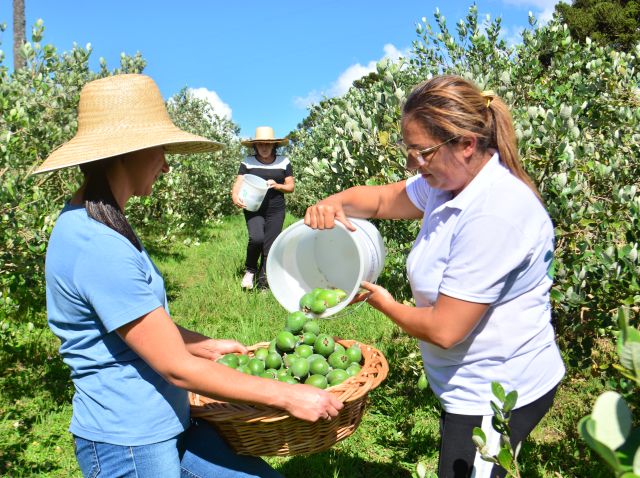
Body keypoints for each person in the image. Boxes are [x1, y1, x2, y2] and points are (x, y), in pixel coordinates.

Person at [36, 74, 342, 478]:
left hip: (168, 419)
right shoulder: (96, 243)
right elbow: (175, 367)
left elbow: (137, 321)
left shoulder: (103, 222)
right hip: (131, 441)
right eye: (161, 150)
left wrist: (203, 344)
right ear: (128, 152)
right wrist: (287, 395)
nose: (165, 165)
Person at [304, 75, 565, 478]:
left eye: (422, 153)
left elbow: (445, 329)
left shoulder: (495, 213)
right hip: (469, 383)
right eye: (409, 153)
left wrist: (381, 301)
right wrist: (332, 202)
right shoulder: (448, 184)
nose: (414, 165)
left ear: (466, 144)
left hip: (495, 392)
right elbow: (379, 200)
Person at [231, 127, 294, 289]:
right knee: (257, 238)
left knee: (270, 246)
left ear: (274, 145)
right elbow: (239, 182)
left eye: (267, 144)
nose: (264, 148)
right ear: (255, 146)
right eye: (260, 144)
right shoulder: (247, 161)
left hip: (276, 209)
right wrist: (234, 196)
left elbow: (290, 187)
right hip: (253, 208)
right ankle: (250, 270)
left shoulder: (284, 161)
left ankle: (263, 283)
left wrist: (277, 185)